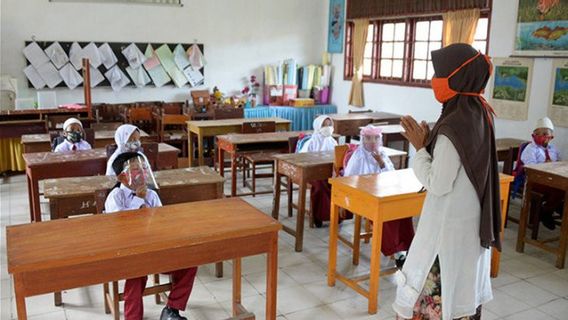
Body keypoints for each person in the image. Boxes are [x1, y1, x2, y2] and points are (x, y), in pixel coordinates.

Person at [393, 44, 500, 320]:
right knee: (463, 292)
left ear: (456, 80)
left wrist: (419, 149)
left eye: (439, 75)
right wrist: (432, 146)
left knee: (441, 300)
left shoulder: (453, 126)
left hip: (448, 233)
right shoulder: (479, 113)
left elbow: (438, 183)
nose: (434, 82)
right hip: (469, 226)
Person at [105, 152, 197, 320]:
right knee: (136, 275)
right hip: (130, 253)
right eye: (134, 169)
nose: (141, 173)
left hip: (155, 249)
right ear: (122, 176)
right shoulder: (116, 197)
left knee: (189, 263)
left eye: (143, 168)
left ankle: (172, 309)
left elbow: (162, 223)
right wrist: (138, 201)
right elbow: (120, 228)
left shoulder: (152, 195)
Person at [343, 125, 414, 267]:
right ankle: (396, 250)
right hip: (366, 196)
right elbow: (348, 179)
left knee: (403, 211)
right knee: (386, 214)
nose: (372, 142)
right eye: (368, 138)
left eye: (376, 138)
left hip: (383, 192)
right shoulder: (358, 156)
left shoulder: (382, 154)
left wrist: (381, 162)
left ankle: (407, 247)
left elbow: (391, 174)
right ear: (363, 140)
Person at [520, 116, 563, 229]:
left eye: (546, 134)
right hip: (535, 181)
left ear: (551, 137)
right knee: (558, 190)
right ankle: (547, 211)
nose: (543, 137)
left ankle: (552, 208)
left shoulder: (553, 149)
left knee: (563, 187)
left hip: (550, 179)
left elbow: (558, 162)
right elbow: (530, 168)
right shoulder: (531, 149)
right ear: (534, 135)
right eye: (540, 134)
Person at [296, 115, 338, 227]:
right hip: (313, 174)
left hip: (329, 173)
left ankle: (337, 215)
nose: (328, 127)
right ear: (318, 126)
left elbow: (337, 159)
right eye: (324, 125)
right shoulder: (311, 142)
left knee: (339, 186)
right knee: (320, 187)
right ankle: (318, 216)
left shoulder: (333, 141)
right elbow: (302, 160)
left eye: (330, 125)